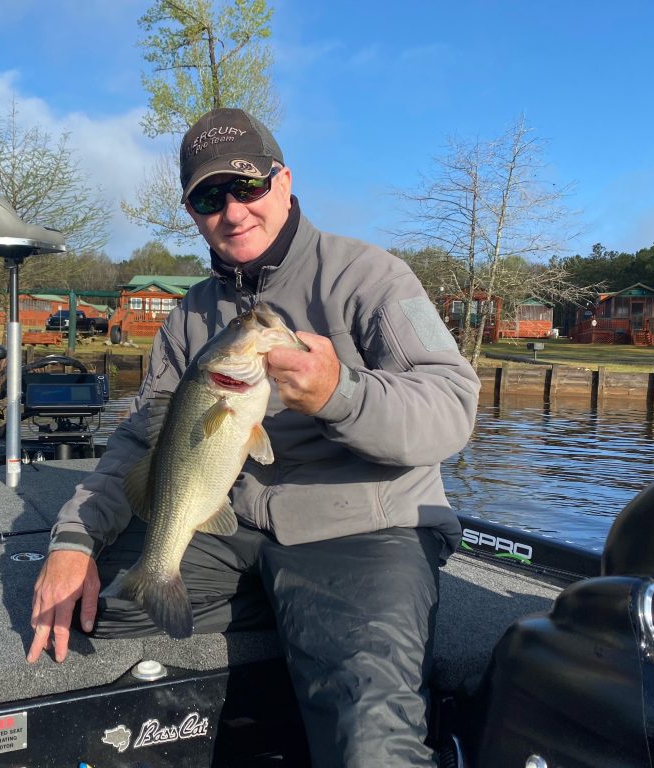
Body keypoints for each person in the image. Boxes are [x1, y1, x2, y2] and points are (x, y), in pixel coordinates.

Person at [28, 107, 481, 767]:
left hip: (365, 531)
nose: (233, 212)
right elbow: (137, 443)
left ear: (284, 182)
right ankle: (293, 607)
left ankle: (329, 617)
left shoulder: (373, 277)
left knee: (371, 746)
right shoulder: (188, 318)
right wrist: (74, 540)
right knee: (102, 608)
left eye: (247, 186)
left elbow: (452, 408)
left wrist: (341, 394)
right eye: (209, 198)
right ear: (193, 213)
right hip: (235, 522)